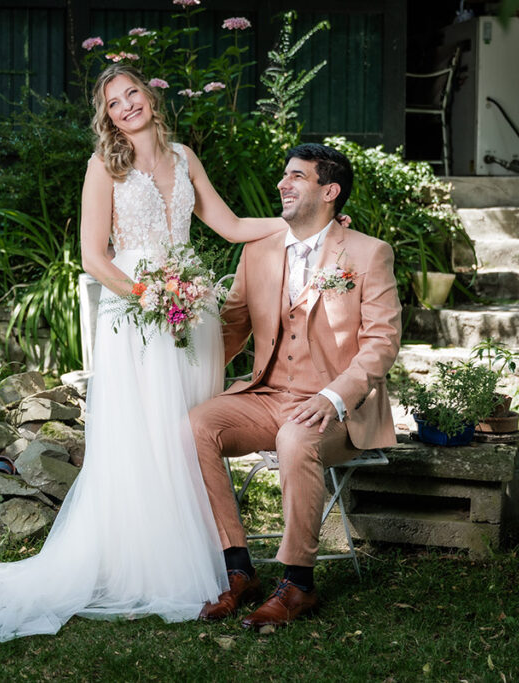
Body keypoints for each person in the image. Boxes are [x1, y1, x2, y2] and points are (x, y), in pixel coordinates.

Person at [0, 63, 289, 641]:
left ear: (149, 95)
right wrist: (150, 295)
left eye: (132, 94)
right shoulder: (104, 167)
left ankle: (212, 555)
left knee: (188, 431)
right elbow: (95, 257)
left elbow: (230, 224)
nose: (126, 106)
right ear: (108, 117)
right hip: (137, 313)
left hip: (190, 313)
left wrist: (298, 222)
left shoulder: (186, 157)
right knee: (145, 435)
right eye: (114, 103)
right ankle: (149, 562)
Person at [190, 143, 403, 629]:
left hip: (335, 411)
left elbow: (382, 343)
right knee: (196, 426)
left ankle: (298, 584)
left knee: (295, 436)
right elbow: (232, 327)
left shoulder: (369, 254)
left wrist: (332, 398)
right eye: (284, 175)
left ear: (329, 191)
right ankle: (238, 568)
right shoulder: (258, 250)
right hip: (266, 396)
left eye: (296, 177)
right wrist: (178, 358)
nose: (282, 184)